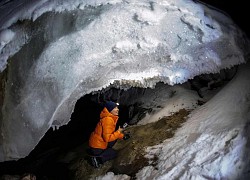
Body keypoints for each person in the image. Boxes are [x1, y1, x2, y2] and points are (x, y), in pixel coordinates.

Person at [88, 101, 130, 168]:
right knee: (114, 153)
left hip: (96, 143)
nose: (117, 109)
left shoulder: (109, 117)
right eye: (115, 108)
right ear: (110, 110)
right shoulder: (108, 120)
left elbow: (111, 133)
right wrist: (119, 132)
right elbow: (107, 138)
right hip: (97, 146)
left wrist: (122, 136)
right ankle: (97, 159)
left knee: (114, 140)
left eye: (117, 108)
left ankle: (101, 151)